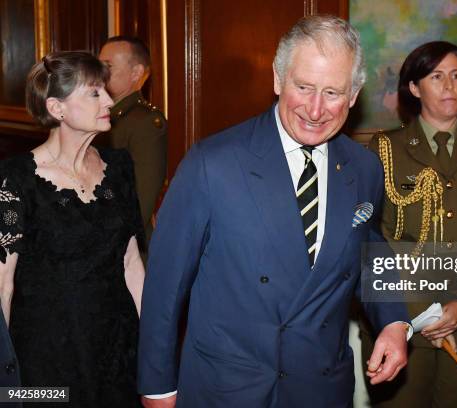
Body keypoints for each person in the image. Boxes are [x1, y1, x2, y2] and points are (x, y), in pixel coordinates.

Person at [138, 15, 410, 408]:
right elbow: (165, 285)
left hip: (320, 387)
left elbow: (369, 251)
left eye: (333, 93)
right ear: (278, 80)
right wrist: (157, 386)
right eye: (304, 87)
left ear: (354, 95)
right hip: (230, 388)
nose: (316, 110)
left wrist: (395, 322)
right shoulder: (212, 163)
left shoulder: (364, 168)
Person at [363, 41, 457, 407]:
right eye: (436, 76)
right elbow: (373, 240)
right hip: (403, 325)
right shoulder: (384, 149)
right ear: (414, 89)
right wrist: (423, 312)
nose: (450, 86)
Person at [0, 51, 145, 407]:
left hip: (117, 349)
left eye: (105, 91)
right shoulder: (16, 179)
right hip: (45, 360)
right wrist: (5, 380)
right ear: (57, 108)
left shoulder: (119, 167)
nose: (109, 100)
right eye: (94, 93)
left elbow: (131, 263)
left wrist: (154, 343)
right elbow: (3, 284)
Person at [99, 36, 167, 248]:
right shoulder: (96, 114)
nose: (99, 73)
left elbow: (140, 201)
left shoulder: (145, 123)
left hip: (123, 245)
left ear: (136, 73)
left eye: (107, 66)